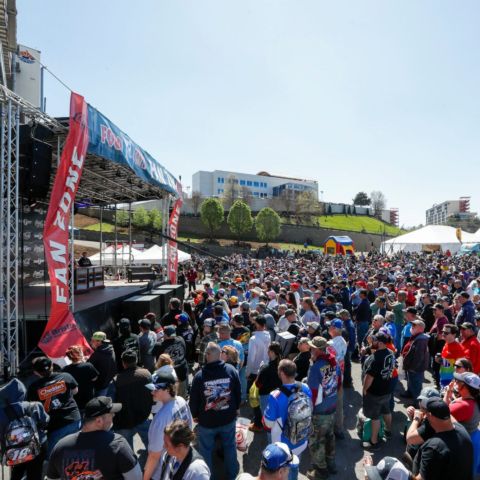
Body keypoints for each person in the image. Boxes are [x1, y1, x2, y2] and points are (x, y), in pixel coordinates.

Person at [46, 396, 141, 480]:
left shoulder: (60, 446)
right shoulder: (118, 444)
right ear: (99, 421)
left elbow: (52, 478)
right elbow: (135, 477)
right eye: (111, 414)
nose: (114, 415)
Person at [189, 342, 241, 480]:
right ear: (219, 356)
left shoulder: (199, 376)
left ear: (207, 355)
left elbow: (193, 400)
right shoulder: (231, 370)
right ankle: (232, 475)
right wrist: (236, 408)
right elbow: (238, 392)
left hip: (207, 422)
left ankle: (207, 477)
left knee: (206, 450)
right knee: (230, 446)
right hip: (228, 418)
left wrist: (195, 415)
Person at [263, 359, 312, 480]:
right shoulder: (305, 388)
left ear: (282, 374)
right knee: (295, 464)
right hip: (302, 439)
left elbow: (268, 424)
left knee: (282, 473)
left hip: (283, 445)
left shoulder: (275, 396)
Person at [27, 356, 81, 456]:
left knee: (55, 456)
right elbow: (75, 391)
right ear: (52, 366)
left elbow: (34, 408)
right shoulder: (66, 376)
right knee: (74, 452)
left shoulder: (33, 388)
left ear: (35, 372)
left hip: (54, 425)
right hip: (73, 418)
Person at [144, 371, 193, 480]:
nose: (152, 392)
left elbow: (154, 455)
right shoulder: (181, 400)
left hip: (163, 471)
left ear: (167, 389)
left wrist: (145, 478)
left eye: (156, 389)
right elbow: (189, 427)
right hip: (179, 462)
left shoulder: (161, 418)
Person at [411, 398, 473, 480]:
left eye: (425, 413)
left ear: (430, 415)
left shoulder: (434, 447)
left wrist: (416, 419)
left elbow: (421, 479)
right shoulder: (461, 429)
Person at [0, 378, 49, 480]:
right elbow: (45, 421)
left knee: (17, 471)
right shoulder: (34, 405)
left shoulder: (1, 413)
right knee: (35, 473)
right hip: (36, 446)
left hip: (14, 450)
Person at [306, 337, 340, 480]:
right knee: (329, 436)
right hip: (332, 406)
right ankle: (331, 464)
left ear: (317, 350)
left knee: (316, 441)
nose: (310, 350)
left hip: (319, 411)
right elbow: (338, 383)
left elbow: (313, 392)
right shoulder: (334, 362)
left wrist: (309, 410)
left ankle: (320, 470)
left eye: (312, 348)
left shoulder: (315, 368)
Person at [113, 350, 153, 451]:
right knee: (151, 444)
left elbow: (113, 402)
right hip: (143, 416)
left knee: (127, 451)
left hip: (124, 421)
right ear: (136, 360)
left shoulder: (116, 380)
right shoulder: (146, 374)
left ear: (123, 363)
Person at [361, 332, 395, 448]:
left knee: (374, 417)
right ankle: (388, 431)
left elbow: (369, 376)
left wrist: (365, 389)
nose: (371, 342)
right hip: (387, 389)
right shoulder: (390, 353)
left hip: (375, 392)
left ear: (380, 343)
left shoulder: (375, 358)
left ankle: (374, 441)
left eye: (374, 340)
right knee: (386, 411)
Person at [251, 342, 283, 434]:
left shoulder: (266, 368)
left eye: (269, 350)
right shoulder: (282, 365)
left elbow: (257, 384)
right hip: (279, 395)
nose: (267, 352)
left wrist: (259, 371)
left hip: (266, 396)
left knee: (268, 420)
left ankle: (270, 438)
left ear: (272, 352)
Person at [154, 325, 189, 398]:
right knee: (182, 396)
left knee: (171, 397)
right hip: (182, 371)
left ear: (166, 334)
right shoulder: (181, 339)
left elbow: (153, 353)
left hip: (169, 375)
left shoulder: (159, 346)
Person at [327, 319, 347, 440]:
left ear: (334, 329)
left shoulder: (330, 344)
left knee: (329, 405)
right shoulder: (343, 340)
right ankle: (339, 429)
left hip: (330, 378)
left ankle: (329, 431)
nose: (328, 328)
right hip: (340, 376)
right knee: (339, 404)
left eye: (330, 327)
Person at [401, 319, 430, 402]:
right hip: (410, 366)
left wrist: (413, 368)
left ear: (421, 329)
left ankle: (417, 402)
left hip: (415, 368)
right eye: (412, 325)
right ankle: (409, 393)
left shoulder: (421, 340)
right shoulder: (416, 336)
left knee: (416, 385)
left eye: (414, 326)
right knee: (410, 381)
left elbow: (419, 357)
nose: (412, 327)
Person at [63, 345, 98, 410]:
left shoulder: (65, 369)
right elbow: (95, 378)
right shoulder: (88, 366)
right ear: (80, 354)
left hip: (75, 399)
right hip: (88, 396)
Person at [89, 331, 117, 396]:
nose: (90, 343)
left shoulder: (97, 354)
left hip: (102, 387)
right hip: (112, 383)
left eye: (93, 341)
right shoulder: (111, 349)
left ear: (99, 342)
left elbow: (89, 368)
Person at [437, 324, 465, 388]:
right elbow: (447, 362)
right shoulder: (446, 344)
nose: (443, 334)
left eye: (446, 333)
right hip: (443, 378)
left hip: (451, 381)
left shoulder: (458, 348)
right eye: (443, 332)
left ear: (454, 334)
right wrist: (440, 360)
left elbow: (461, 368)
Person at [246, 315, 271, 382]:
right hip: (266, 368)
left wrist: (248, 373)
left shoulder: (253, 339)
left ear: (257, 324)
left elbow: (251, 358)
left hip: (255, 371)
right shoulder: (268, 336)